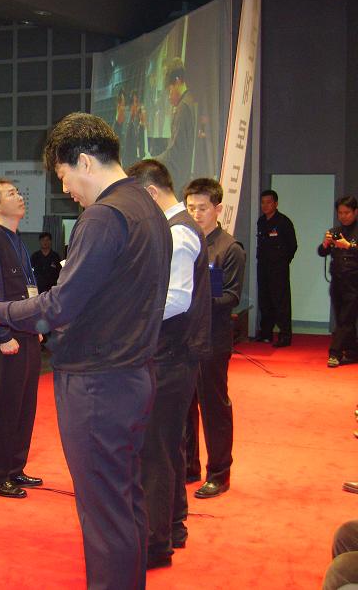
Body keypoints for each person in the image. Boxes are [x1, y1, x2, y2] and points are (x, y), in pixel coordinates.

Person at [0, 113, 171, 589]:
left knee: (104, 513)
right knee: (124, 500)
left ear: (85, 162)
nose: (66, 189)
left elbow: (59, 305)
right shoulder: (148, 207)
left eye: (63, 176)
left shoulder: (104, 216)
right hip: (133, 374)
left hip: (98, 383)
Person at [128, 159, 211, 569]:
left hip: (170, 355)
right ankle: (173, 525)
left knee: (156, 450)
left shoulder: (178, 232)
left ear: (150, 192)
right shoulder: (178, 228)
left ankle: (156, 542)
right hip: (177, 354)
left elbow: (175, 299)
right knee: (169, 445)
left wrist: (130, 317)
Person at [0, 177, 43, 500]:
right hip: (7, 336)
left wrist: (37, 323)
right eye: (11, 193)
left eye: (18, 191)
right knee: (3, 406)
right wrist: (1, 335)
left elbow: (28, 289)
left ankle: (15, 467)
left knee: (24, 404)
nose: (19, 197)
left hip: (26, 331)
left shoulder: (17, 239)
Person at [183, 177, 245, 499]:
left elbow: (231, 297)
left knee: (213, 407)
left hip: (213, 340)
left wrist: (193, 296)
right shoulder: (184, 243)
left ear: (218, 209)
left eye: (203, 208)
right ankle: (188, 466)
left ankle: (219, 472)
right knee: (184, 406)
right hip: (183, 339)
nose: (196, 214)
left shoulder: (229, 249)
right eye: (191, 207)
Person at [318, 196, 358, 368]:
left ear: (355, 212)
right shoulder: (335, 231)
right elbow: (321, 252)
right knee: (343, 317)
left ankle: (335, 353)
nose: (343, 216)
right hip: (337, 281)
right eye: (340, 213)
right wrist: (325, 244)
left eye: (347, 212)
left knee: (345, 319)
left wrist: (348, 246)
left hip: (354, 282)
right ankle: (353, 351)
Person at [256, 190, 297, 347]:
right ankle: (266, 333)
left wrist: (283, 261)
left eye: (269, 202)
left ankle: (285, 335)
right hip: (263, 266)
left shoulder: (283, 222)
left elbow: (292, 245)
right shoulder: (261, 221)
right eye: (263, 202)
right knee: (265, 300)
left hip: (278, 268)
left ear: (276, 203)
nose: (265, 205)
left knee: (281, 301)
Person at [153, 58, 197, 190]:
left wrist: (153, 161)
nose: (169, 96)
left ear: (177, 82)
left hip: (178, 181)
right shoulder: (190, 102)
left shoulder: (183, 107)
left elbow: (175, 151)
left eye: (169, 90)